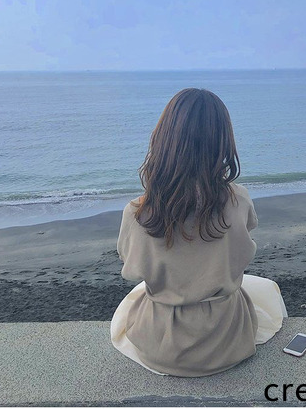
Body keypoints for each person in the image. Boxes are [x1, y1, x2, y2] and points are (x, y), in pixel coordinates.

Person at [110, 88, 287, 377]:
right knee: (265, 289)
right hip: (226, 341)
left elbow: (130, 267)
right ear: (222, 142)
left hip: (160, 345)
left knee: (134, 299)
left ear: (163, 140)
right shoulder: (238, 199)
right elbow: (245, 241)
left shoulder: (138, 212)